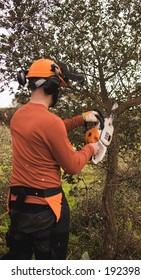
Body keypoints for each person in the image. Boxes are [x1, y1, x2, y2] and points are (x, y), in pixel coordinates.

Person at [1, 58, 100, 260]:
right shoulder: (50, 122)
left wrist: (81, 118)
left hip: (18, 205)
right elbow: (72, 166)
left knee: (17, 260)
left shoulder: (18, 116)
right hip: (46, 209)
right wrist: (92, 148)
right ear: (52, 85)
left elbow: (43, 130)